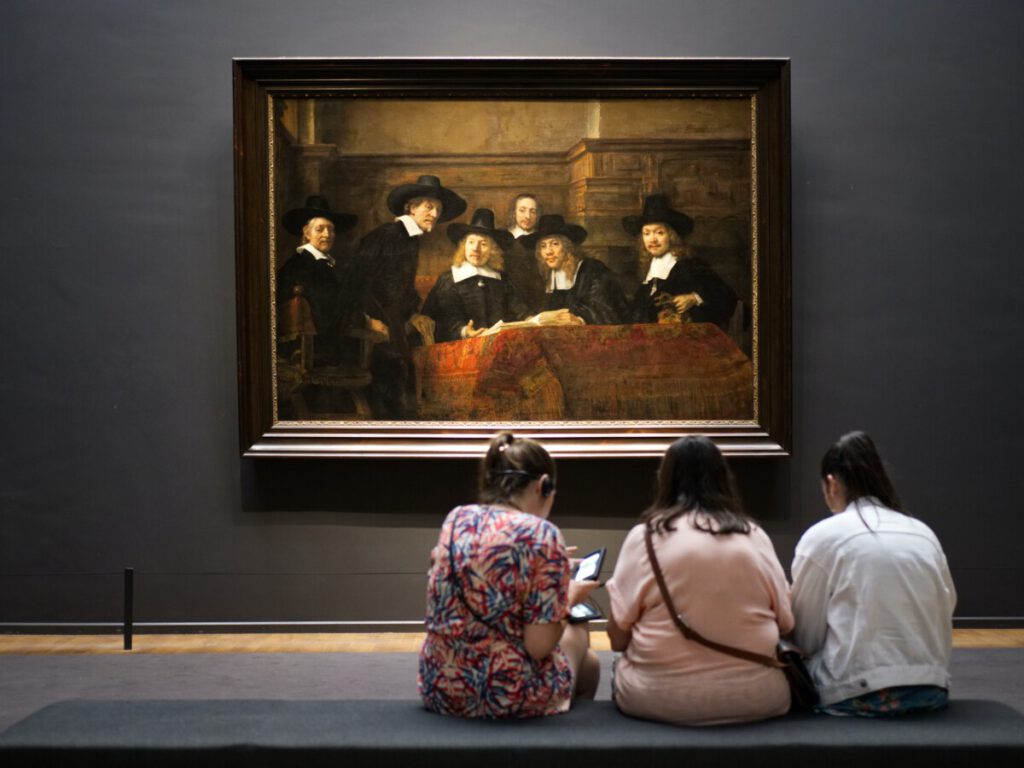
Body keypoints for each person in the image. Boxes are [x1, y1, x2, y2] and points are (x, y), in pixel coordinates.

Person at [605, 436, 794, 726]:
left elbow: (617, 639)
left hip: (656, 697)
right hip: (758, 697)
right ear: (723, 478)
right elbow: (786, 623)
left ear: (664, 479)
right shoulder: (753, 536)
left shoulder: (644, 538)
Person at [419, 432, 600, 718]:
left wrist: (549, 567)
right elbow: (538, 647)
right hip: (506, 694)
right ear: (544, 485)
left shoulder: (457, 519)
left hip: (442, 687)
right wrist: (568, 596)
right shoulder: (543, 534)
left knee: (588, 663)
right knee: (582, 639)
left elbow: (484, 569)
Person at [791, 431, 956, 717]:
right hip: (931, 688)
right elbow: (946, 607)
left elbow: (804, 636)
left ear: (831, 484)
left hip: (858, 691)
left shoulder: (823, 537)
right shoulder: (923, 532)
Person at [350, 175, 467, 417]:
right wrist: (368, 319)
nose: (434, 214)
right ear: (411, 207)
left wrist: (413, 314)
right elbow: (359, 282)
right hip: (369, 323)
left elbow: (400, 288)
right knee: (393, 371)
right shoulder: (390, 235)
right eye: (429, 207)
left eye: (438, 209)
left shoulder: (408, 239)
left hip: (391, 321)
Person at [623, 194, 737, 329]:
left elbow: (727, 296)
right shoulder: (650, 271)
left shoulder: (691, 266)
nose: (652, 239)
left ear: (672, 236)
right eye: (647, 233)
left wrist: (694, 298)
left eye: (659, 233)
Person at [276, 195, 363, 366]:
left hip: (332, 341)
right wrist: (362, 320)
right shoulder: (298, 266)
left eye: (331, 229)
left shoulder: (327, 265)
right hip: (316, 348)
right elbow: (325, 306)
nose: (327, 234)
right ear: (306, 233)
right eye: (320, 229)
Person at [421, 209, 532, 342]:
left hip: (499, 343)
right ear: (464, 246)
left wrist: (531, 319)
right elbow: (444, 319)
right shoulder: (449, 279)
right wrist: (464, 331)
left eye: (483, 244)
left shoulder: (502, 280)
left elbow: (519, 309)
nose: (475, 248)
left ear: (493, 250)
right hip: (460, 345)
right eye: (471, 242)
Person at [521, 214, 628, 326]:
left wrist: (580, 320)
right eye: (543, 246)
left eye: (555, 244)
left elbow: (605, 310)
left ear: (568, 247)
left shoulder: (593, 270)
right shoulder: (547, 276)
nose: (548, 252)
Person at [503, 192, 547, 312]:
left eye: (533, 211)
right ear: (514, 213)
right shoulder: (503, 240)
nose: (527, 216)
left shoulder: (544, 241)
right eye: (522, 210)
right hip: (511, 305)